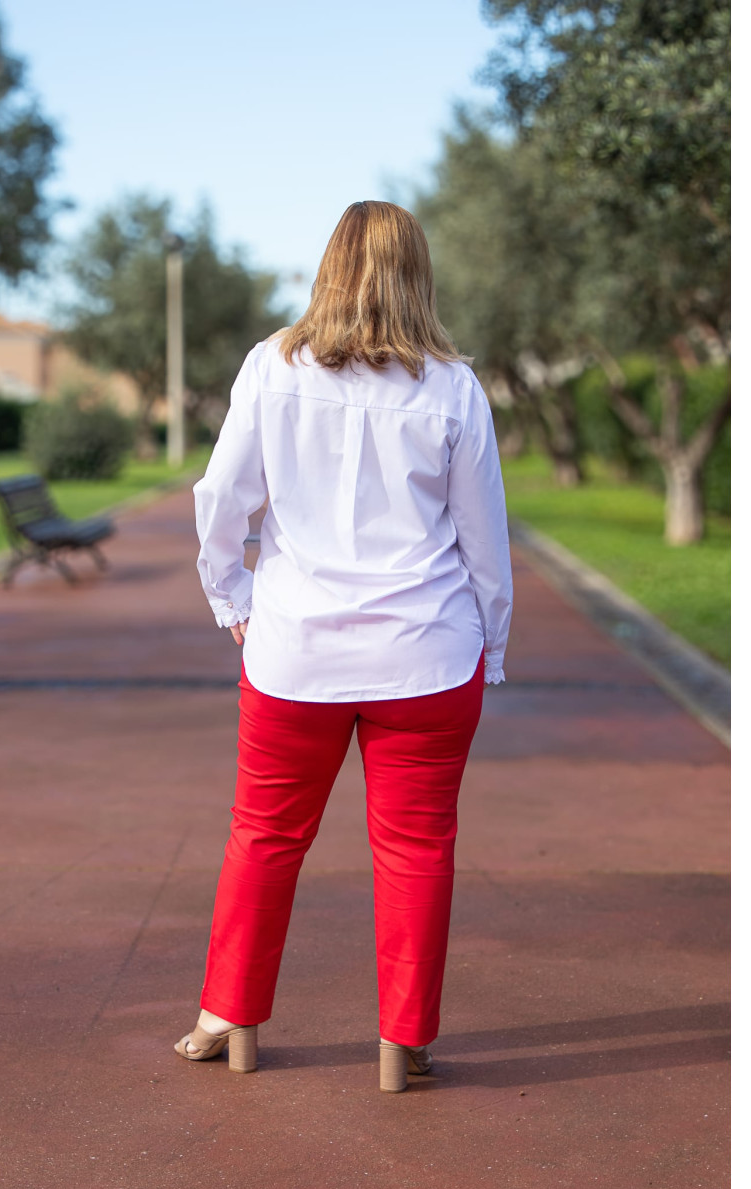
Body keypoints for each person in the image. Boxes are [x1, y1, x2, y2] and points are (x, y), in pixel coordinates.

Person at [178, 200, 514, 1093]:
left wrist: (231, 597)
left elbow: (221, 499)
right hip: (428, 654)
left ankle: (230, 1018)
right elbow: (485, 539)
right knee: (418, 848)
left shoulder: (272, 366)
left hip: (295, 651)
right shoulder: (453, 387)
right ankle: (403, 1043)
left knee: (264, 835)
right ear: (417, 276)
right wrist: (493, 643)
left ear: (328, 268)